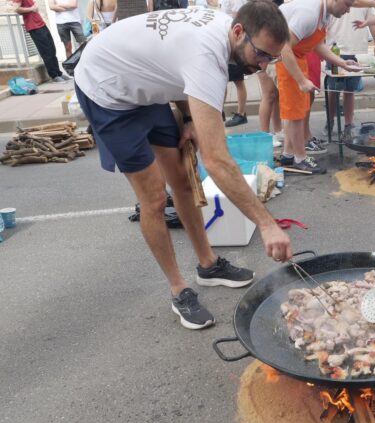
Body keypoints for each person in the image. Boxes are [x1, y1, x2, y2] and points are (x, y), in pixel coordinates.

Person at [74, 1, 294, 330]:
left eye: (271, 59)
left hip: (145, 86)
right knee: (154, 198)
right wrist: (266, 224)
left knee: (183, 179)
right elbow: (217, 161)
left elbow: (173, 66)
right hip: (108, 90)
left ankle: (208, 265)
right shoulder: (206, 53)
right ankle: (179, 288)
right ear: (238, 32)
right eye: (262, 55)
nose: (264, 66)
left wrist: (190, 117)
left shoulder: (223, 35)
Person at [276, 0, 363, 175]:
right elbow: (284, 48)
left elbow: (317, 45)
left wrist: (342, 63)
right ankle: (300, 159)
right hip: (287, 59)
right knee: (296, 114)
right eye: (347, 5)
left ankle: (288, 154)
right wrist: (301, 81)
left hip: (298, 57)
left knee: (296, 110)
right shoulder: (309, 13)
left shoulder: (326, 16)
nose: (348, 10)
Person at [325, 5, 375, 140]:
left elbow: (373, 22)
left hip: (356, 49)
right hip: (335, 48)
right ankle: (330, 121)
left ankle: (348, 125)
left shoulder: (365, 2)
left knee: (350, 90)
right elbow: (323, 21)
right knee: (333, 89)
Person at [11, 0, 69, 82]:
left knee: (52, 49)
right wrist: (31, 9)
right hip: (34, 27)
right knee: (46, 52)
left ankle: (58, 73)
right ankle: (54, 75)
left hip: (41, 24)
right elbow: (16, 8)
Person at [221, 0, 249, 127]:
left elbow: (238, 14)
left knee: (238, 80)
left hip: (235, 39)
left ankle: (241, 113)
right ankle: (219, 110)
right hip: (227, 37)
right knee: (223, 79)